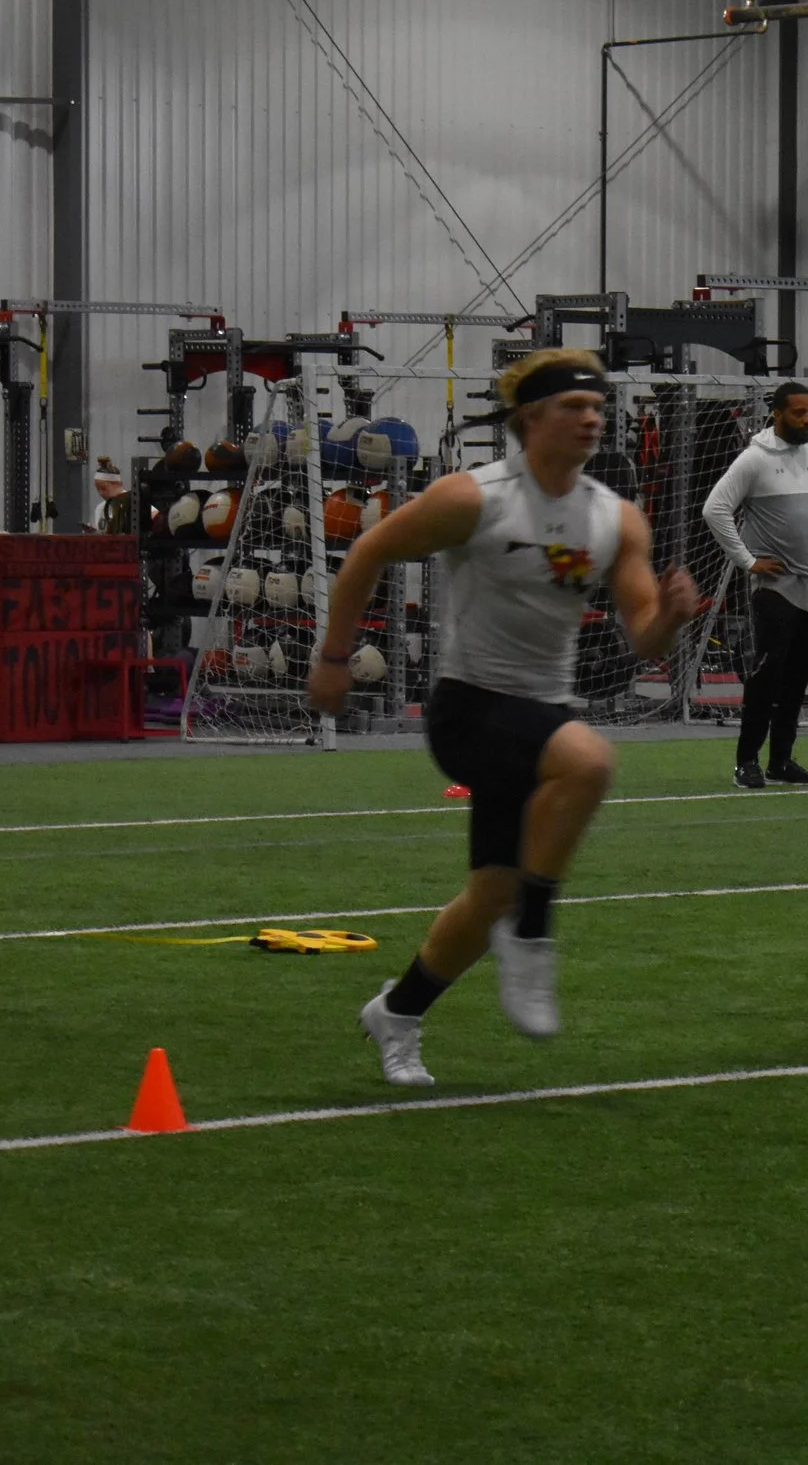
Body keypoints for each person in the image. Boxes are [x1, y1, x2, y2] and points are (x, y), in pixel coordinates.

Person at [311, 348, 697, 1087]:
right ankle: (534, 930)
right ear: (528, 418)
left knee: (491, 889)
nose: (591, 418)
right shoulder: (474, 498)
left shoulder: (614, 518)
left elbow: (643, 633)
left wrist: (673, 618)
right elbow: (365, 552)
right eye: (573, 407)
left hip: (543, 711)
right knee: (589, 761)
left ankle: (399, 1008)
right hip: (470, 707)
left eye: (598, 408)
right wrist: (334, 660)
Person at [703, 381, 808, 789]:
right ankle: (746, 762)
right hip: (775, 586)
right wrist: (747, 562)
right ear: (778, 414)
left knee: (799, 675)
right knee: (769, 673)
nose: (807, 420)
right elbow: (714, 509)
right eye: (799, 413)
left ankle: (780, 761)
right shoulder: (754, 460)